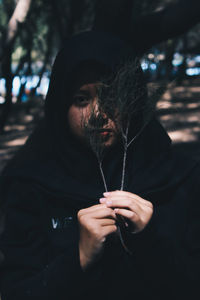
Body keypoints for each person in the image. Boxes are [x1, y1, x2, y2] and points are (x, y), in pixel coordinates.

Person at [0, 29, 200, 300]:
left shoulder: (180, 177)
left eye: (111, 95)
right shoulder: (30, 187)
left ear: (134, 100)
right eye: (81, 99)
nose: (97, 115)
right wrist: (78, 259)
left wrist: (151, 240)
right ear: (60, 106)